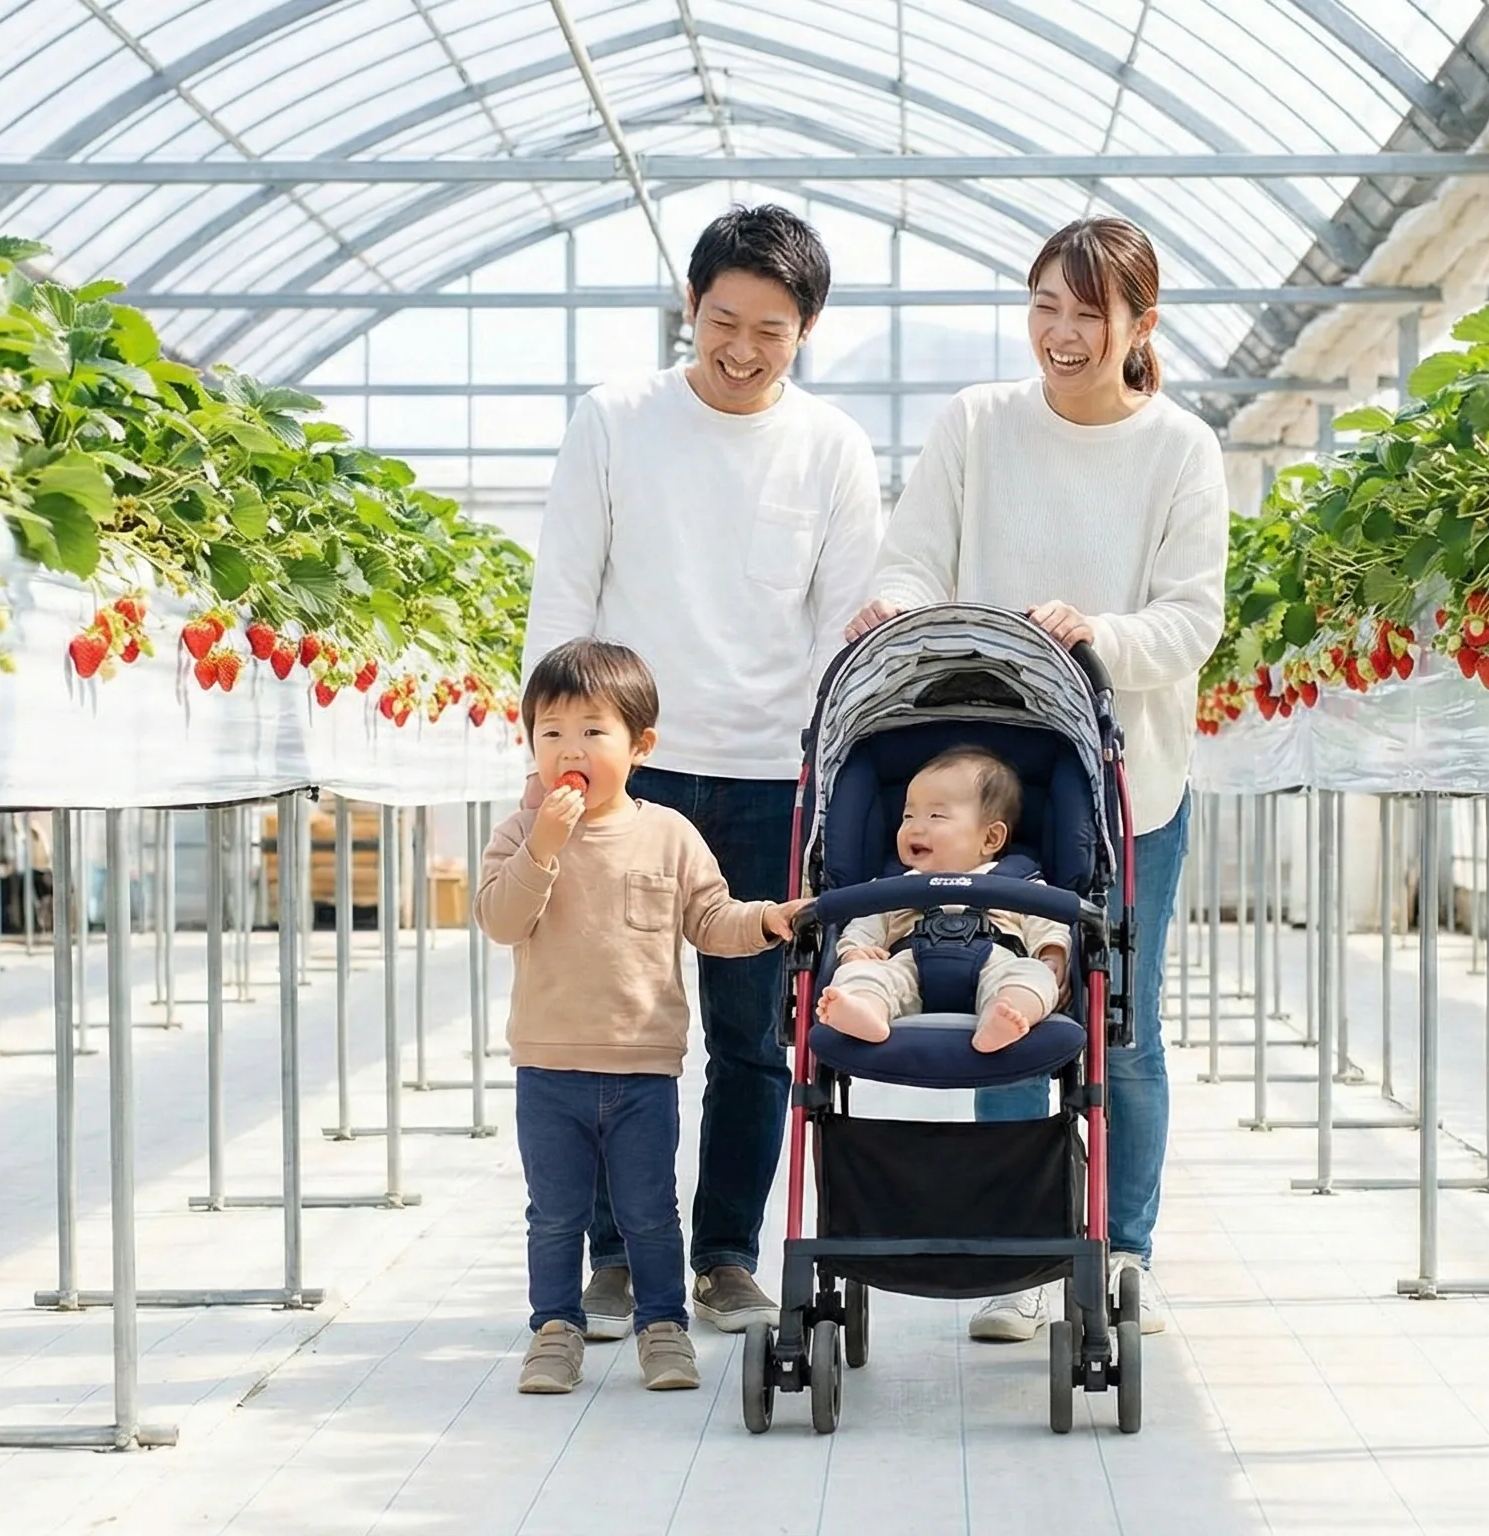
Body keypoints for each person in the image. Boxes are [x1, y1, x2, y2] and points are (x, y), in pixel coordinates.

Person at [846, 217, 1226, 1343]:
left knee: (1121, 1022)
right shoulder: (977, 424)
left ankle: (1124, 1253)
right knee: (999, 1002)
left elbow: (1190, 622)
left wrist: (1095, 632)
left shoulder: (1178, 450)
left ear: (1138, 326)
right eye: (1044, 307)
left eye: (1086, 313)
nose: (1059, 334)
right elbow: (913, 554)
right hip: (979, 774)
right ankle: (1022, 1252)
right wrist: (898, 604)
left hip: (1125, 783)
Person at [520, 205, 883, 1339]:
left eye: (769, 330)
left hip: (774, 778)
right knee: (609, 1027)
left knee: (750, 1036)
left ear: (805, 329)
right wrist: (555, 767)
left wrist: (839, 783)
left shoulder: (830, 447)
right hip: (627, 778)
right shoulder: (615, 421)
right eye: (721, 319)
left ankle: (724, 1252)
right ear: (690, 307)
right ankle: (619, 1256)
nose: (739, 347)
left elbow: (843, 630)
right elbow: (563, 594)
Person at [477, 639, 806, 1395]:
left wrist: (766, 920)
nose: (570, 748)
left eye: (593, 731)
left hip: (643, 1069)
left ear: (640, 747)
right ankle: (554, 1331)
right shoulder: (518, 834)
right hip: (549, 1067)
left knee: (650, 1212)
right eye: (550, 732)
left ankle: (664, 1328)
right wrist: (544, 847)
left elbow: (711, 919)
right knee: (554, 1216)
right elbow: (500, 918)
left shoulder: (668, 834)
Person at [816, 747, 1068, 1053]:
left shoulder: (1018, 881)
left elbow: (1047, 919)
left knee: (1033, 975)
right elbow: (863, 922)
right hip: (907, 964)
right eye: (908, 815)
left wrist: (1052, 952)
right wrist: (854, 952)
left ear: (990, 838)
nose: (915, 827)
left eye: (936, 816)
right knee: (861, 975)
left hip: (997, 960)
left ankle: (1005, 1014)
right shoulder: (892, 885)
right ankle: (866, 1009)